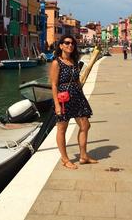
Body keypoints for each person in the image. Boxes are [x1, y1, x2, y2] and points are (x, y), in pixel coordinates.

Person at [50, 34, 98, 169]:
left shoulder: (75, 62)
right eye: (66, 43)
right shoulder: (56, 63)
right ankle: (65, 159)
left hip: (77, 97)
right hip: (63, 99)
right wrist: (57, 105)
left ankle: (83, 156)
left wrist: (82, 96)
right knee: (62, 129)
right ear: (61, 46)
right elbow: (54, 85)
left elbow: (77, 80)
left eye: (72, 43)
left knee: (85, 125)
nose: (70, 45)